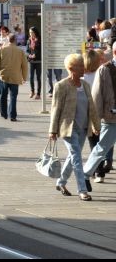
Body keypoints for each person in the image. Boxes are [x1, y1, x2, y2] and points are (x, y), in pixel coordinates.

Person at [49, 53, 99, 201]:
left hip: (83, 127)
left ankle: (61, 182)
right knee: (77, 157)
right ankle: (82, 190)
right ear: (71, 68)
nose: (84, 68)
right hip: (68, 128)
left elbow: (92, 107)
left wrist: (96, 125)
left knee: (72, 157)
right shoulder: (61, 86)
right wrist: (52, 130)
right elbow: (55, 108)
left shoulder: (85, 85)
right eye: (80, 66)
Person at [84, 43, 116, 184]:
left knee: (101, 148)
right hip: (111, 117)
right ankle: (84, 176)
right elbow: (97, 96)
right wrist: (95, 120)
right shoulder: (104, 69)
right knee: (101, 148)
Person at [0, 34, 28, 121]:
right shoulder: (20, 51)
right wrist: (24, 77)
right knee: (13, 97)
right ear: (15, 40)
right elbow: (25, 66)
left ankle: (4, 113)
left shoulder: (2, 49)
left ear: (8, 40)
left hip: (4, 76)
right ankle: (13, 115)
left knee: (3, 95)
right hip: (15, 77)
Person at [26, 27, 42, 100]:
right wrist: (29, 55)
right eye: (30, 32)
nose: (31, 34)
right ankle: (32, 91)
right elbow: (27, 50)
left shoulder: (39, 40)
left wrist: (36, 54)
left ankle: (38, 93)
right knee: (31, 77)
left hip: (38, 61)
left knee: (38, 77)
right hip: (31, 61)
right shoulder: (29, 40)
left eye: (32, 32)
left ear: (35, 32)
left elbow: (41, 50)